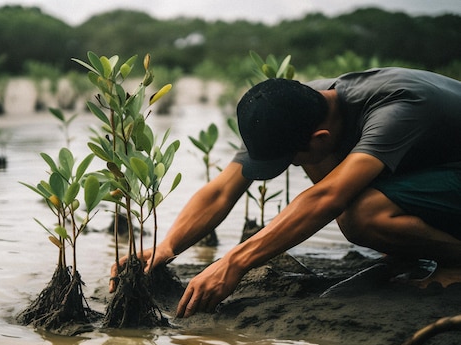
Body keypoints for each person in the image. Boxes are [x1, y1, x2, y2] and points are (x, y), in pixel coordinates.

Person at [114, 67, 461, 318]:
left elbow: (326, 198)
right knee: (336, 180)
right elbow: (222, 191)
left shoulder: (395, 110)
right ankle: (407, 249)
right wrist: (167, 246)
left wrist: (234, 262)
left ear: (320, 138)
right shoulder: (298, 106)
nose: (293, 167)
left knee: (362, 215)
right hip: (436, 169)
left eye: (290, 160)